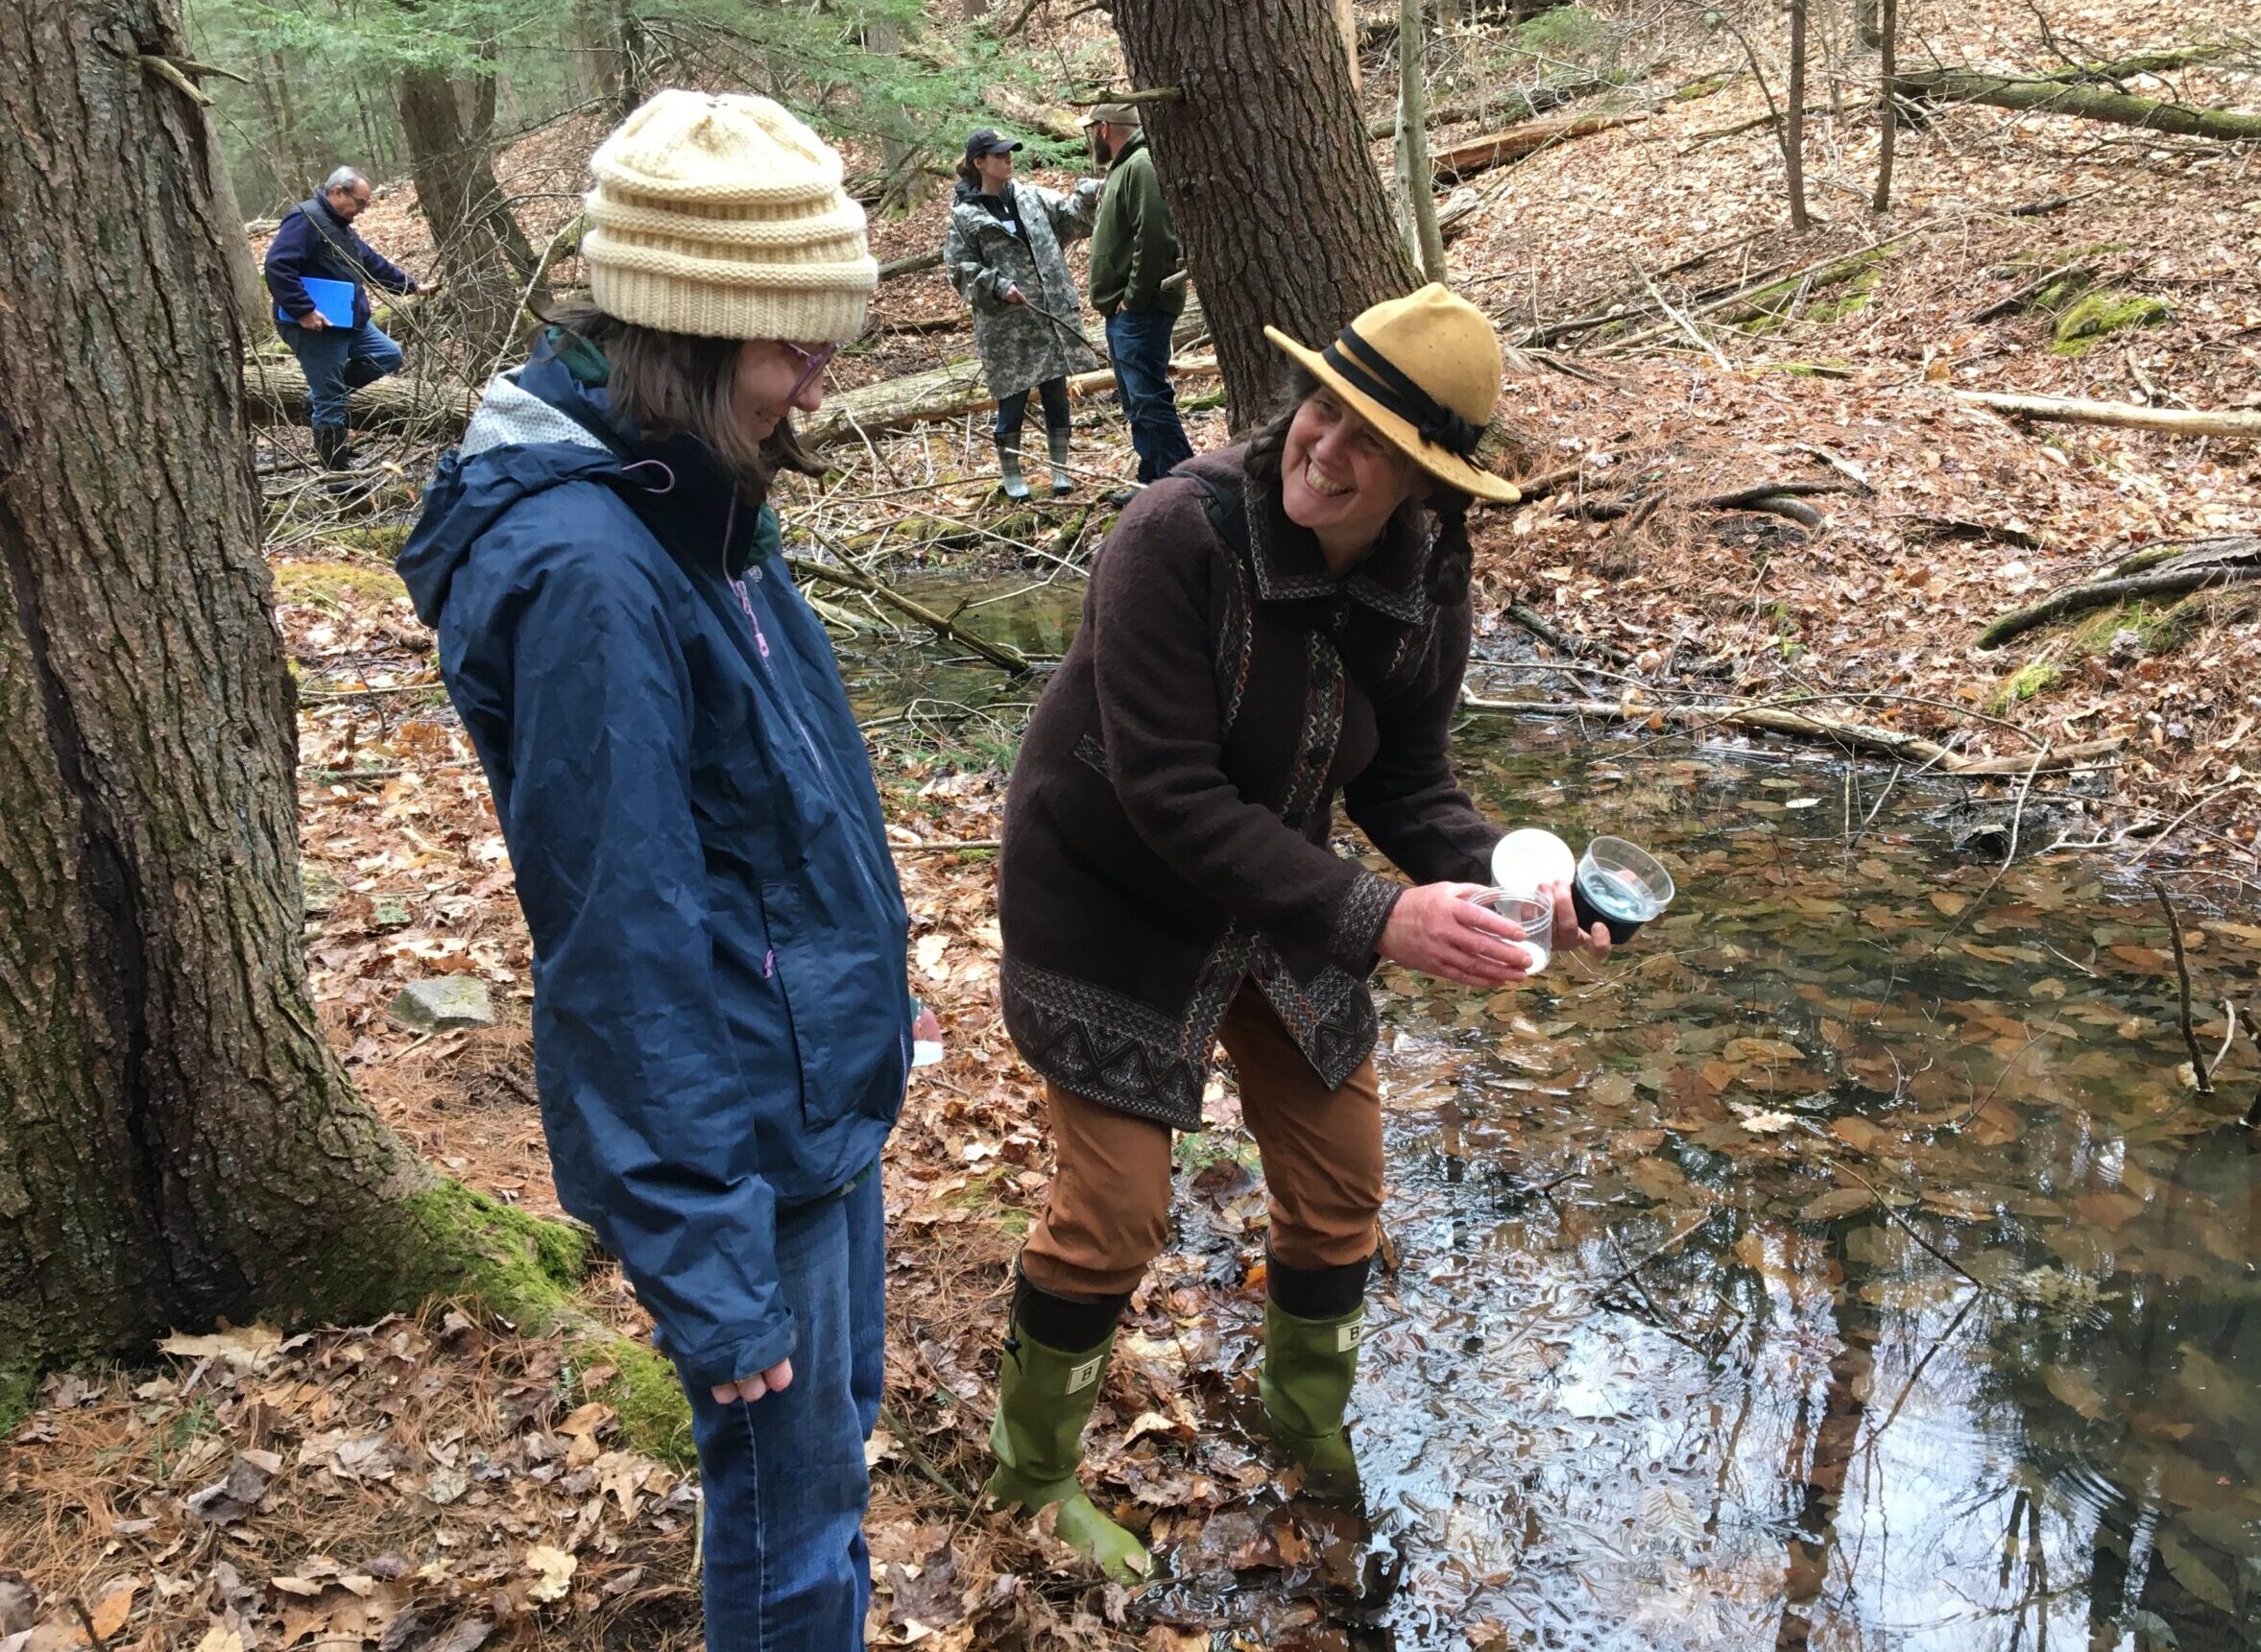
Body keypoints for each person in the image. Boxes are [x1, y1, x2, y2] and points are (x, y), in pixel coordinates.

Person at [397, 90, 936, 1652]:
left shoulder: (698, 500)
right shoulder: (587, 574)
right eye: (793, 336)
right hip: (743, 1155)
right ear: (692, 330)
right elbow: (619, 938)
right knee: (788, 1527)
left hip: (810, 1106)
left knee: (828, 1467)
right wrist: (703, 1250)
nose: (824, 368)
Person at [986, 284, 1610, 1579]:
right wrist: (1383, 914)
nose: (1323, 449)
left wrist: (1508, 881)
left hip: (1277, 893)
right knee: (1115, 1210)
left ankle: (1302, 1415)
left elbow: (1406, 782)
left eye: (1368, 443)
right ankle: (1033, 1475)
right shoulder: (1174, 534)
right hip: (1105, 890)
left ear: (1423, 486)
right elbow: (1164, 790)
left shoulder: (1426, 579)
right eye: (1321, 409)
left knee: (1338, 1186)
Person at [943, 129, 1101, 500]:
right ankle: (1012, 473)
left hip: (1047, 315)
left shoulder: (1031, 198)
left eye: (1010, 152)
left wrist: (1093, 190)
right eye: (999, 155)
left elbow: (1071, 218)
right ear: (980, 162)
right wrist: (998, 286)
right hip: (1006, 327)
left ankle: (1060, 470)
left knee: (1056, 394)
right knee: (1011, 399)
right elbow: (959, 270)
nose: (1008, 158)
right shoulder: (964, 217)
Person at [263, 166, 439, 471]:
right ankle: (338, 475)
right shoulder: (306, 219)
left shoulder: (340, 227)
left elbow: (371, 263)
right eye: (360, 202)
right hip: (317, 328)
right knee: (331, 401)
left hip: (349, 321)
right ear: (337, 193)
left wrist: (411, 286)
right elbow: (278, 266)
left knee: (388, 355)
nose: (362, 210)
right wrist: (303, 310)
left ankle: (315, 399)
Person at [1081, 104, 1194, 496]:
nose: (1091, 137)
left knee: (1149, 398)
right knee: (1136, 400)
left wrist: (1135, 296)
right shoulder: (1124, 166)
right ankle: (1153, 483)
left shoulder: (1141, 165)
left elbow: (1157, 236)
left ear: (1105, 128)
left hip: (1141, 310)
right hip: (1122, 312)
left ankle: (1186, 486)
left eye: (1092, 129)